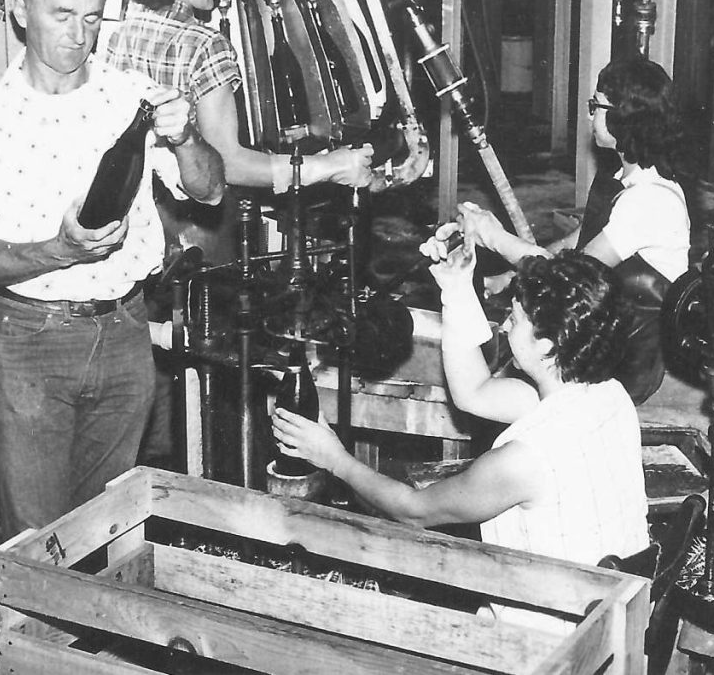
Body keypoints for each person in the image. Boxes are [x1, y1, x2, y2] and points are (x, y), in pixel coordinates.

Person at [0, 0, 225, 537]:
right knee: (40, 539)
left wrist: (188, 135)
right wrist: (60, 250)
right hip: (28, 346)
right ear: (21, 10)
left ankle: (99, 632)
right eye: (62, 15)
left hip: (124, 331)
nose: (79, 34)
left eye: (92, 17)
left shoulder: (132, 100)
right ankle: (29, 627)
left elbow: (210, 191)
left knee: (108, 526)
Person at [272, 230, 649, 629]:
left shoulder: (524, 460)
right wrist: (456, 288)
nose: (504, 326)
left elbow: (413, 511)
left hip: (564, 649)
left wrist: (333, 458)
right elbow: (475, 393)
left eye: (515, 319)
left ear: (547, 345)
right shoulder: (609, 396)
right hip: (618, 619)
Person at [457, 57, 691, 403]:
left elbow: (568, 278)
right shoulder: (625, 179)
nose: (590, 115)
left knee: (497, 382)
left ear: (623, 117)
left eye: (596, 106)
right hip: (606, 337)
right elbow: (581, 242)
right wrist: (508, 278)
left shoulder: (649, 201)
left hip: (628, 362)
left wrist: (494, 237)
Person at [103, 0, 374, 199]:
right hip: (197, 217)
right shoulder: (206, 46)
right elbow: (229, 164)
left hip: (137, 203)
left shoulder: (124, 31)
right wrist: (327, 166)